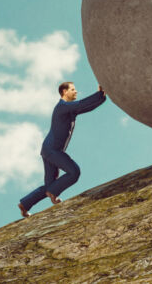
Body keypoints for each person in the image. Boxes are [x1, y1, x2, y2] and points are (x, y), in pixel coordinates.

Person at [18, 81, 107, 217]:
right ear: (65, 92)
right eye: (73, 89)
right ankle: (53, 193)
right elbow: (81, 104)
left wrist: (102, 97)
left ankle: (25, 204)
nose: (76, 91)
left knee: (50, 185)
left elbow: (86, 108)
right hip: (53, 150)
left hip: (48, 149)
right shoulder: (62, 107)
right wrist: (99, 93)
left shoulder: (69, 110)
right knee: (74, 172)